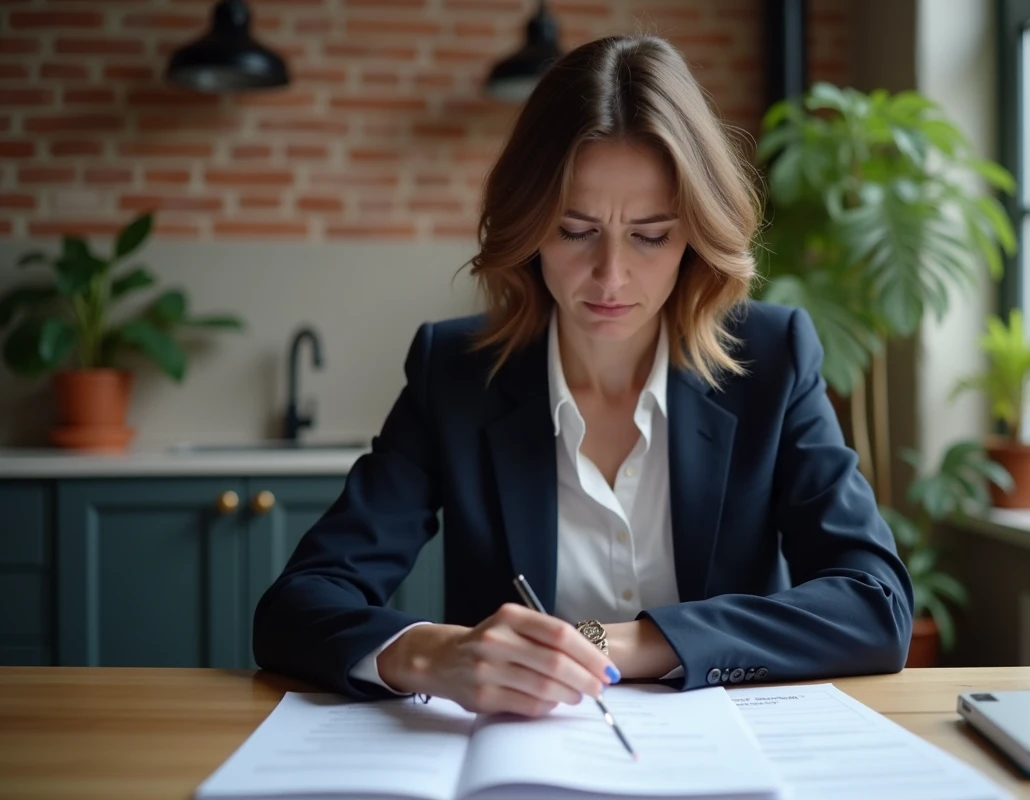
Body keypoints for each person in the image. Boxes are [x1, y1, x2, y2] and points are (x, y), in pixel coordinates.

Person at [253, 34, 913, 717]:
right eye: (574, 230)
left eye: (651, 235)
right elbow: (298, 605)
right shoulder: (454, 374)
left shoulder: (772, 361)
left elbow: (874, 605)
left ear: (695, 235)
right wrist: (432, 654)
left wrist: (615, 643)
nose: (611, 276)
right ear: (529, 225)